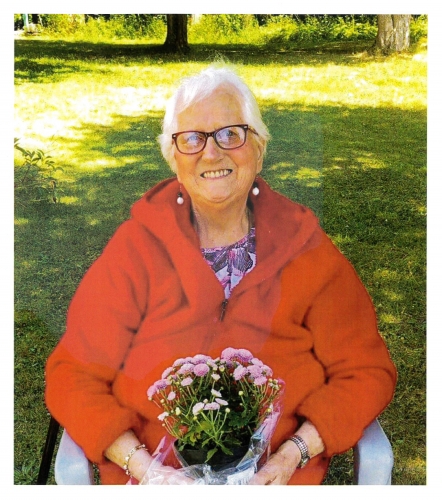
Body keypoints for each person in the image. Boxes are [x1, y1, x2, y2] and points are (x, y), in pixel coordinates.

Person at [45, 65, 396, 485]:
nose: (211, 154)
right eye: (192, 138)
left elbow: (365, 372)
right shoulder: (135, 249)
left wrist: (292, 455)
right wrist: (147, 470)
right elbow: (73, 376)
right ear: (173, 158)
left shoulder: (306, 248)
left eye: (231, 134)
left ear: (259, 148)